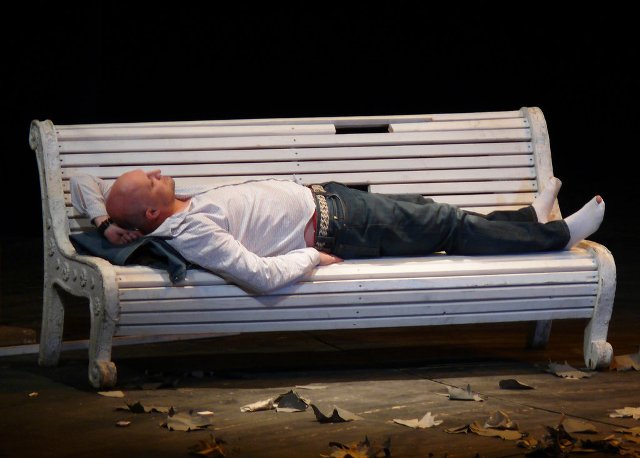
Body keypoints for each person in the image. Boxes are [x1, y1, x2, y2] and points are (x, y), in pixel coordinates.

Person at [70, 170, 605, 293]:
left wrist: (103, 222)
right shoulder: (191, 232)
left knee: (434, 213)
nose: (158, 172)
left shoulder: (168, 211)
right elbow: (257, 276)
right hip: (341, 228)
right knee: (446, 227)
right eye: (150, 180)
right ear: (150, 214)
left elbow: (82, 181)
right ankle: (555, 237)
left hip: (336, 202)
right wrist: (311, 259)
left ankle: (528, 221)